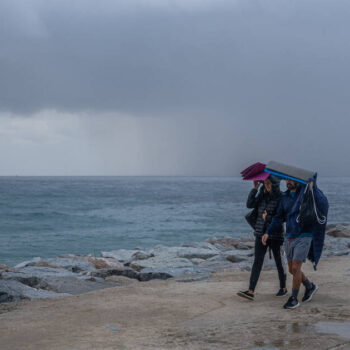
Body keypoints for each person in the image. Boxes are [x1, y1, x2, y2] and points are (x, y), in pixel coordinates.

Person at [264, 178, 328, 309]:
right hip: (289, 237)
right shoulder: (285, 197)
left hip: (304, 235)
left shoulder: (305, 193)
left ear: (297, 181)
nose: (288, 182)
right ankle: (310, 286)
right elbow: (278, 217)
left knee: (295, 268)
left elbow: (319, 198)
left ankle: (294, 298)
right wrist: (268, 232)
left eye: (291, 180)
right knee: (292, 270)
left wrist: (313, 184)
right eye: (287, 180)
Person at [237, 175, 287, 301]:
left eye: (269, 183)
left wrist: (267, 219)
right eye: (264, 183)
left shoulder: (281, 197)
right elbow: (249, 204)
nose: (266, 185)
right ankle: (250, 291)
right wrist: (254, 188)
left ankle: (283, 288)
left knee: (279, 261)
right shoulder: (262, 195)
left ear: (275, 185)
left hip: (275, 235)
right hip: (260, 233)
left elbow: (282, 217)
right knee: (257, 262)